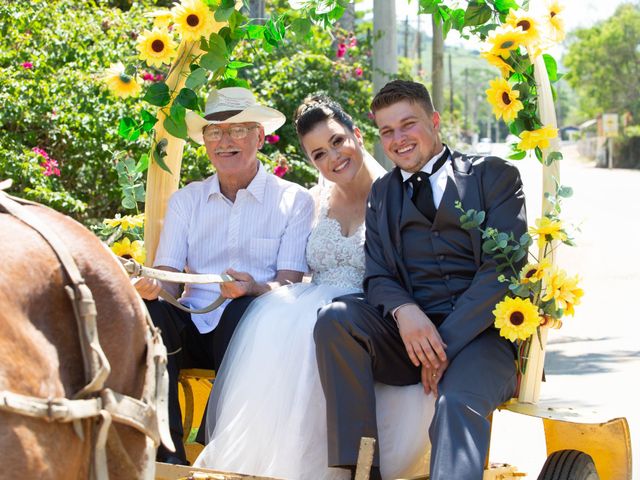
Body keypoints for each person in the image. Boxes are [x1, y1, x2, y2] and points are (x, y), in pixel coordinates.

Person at [193, 95, 435, 480]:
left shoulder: (396, 194)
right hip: (310, 304)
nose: (333, 158)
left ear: (356, 134)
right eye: (319, 154)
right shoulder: (313, 200)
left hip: (371, 314)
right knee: (272, 325)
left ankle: (353, 467)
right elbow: (292, 270)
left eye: (337, 142)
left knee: (319, 328)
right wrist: (256, 287)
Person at [314, 80, 528, 480]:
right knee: (336, 319)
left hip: (480, 339)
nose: (398, 139)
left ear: (434, 121)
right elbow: (377, 273)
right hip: (406, 341)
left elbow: (504, 268)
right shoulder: (382, 193)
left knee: (456, 402)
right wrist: (404, 309)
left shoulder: (494, 176)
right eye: (387, 131)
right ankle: (363, 472)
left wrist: (441, 345)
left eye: (407, 124)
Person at [133, 87, 314, 464]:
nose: (224, 141)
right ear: (204, 142)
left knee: (242, 310)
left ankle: (225, 453)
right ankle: (168, 452)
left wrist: (253, 288)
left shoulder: (294, 199)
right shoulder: (187, 200)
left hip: (258, 332)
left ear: (260, 138)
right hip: (193, 325)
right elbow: (168, 277)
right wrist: (153, 287)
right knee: (150, 315)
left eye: (237, 130)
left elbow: (291, 285)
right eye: (214, 132)